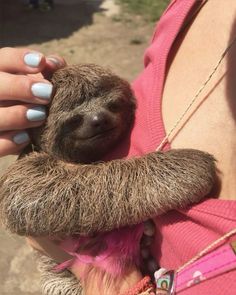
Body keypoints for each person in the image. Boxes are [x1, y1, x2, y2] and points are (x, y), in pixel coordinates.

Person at [1, 0, 236, 294]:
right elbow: (26, 210)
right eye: (73, 122)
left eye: (112, 106)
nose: (99, 119)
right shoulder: (188, 11)